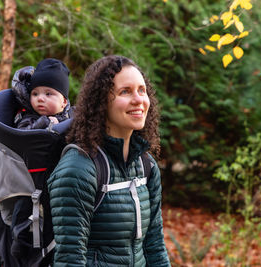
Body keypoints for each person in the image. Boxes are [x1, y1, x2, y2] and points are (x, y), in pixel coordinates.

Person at [47, 55, 171, 266]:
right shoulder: (78, 169)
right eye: (125, 91)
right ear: (101, 101)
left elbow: (155, 245)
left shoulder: (146, 165)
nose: (139, 99)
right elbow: (70, 259)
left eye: (142, 90)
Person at [11, 58, 72, 130]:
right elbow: (21, 134)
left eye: (48, 94)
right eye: (35, 94)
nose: (40, 98)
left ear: (64, 102)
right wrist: (45, 123)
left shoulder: (71, 117)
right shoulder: (28, 118)